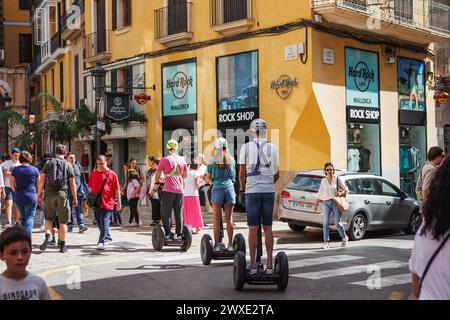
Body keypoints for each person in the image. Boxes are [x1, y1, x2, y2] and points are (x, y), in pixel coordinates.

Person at [239, 119, 279, 274]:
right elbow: (277, 173)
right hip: (268, 190)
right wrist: (268, 182)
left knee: (253, 228)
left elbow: (242, 173)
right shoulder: (273, 148)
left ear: (252, 131)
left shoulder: (246, 147)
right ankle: (269, 265)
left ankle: (254, 265)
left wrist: (243, 188)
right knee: (268, 228)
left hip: (252, 191)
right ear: (265, 131)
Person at [409, 155, 450, 300]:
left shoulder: (425, 228)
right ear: (437, 156)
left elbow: (416, 279)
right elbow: (425, 189)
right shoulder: (431, 169)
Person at [37, 144, 77, 254]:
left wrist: (38, 195)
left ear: (55, 152)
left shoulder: (48, 163)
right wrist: (75, 197)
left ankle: (48, 236)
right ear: (65, 153)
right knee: (63, 221)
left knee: (49, 219)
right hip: (62, 195)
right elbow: (72, 183)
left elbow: (41, 180)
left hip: (49, 195)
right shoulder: (68, 164)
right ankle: (63, 245)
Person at [0, 225, 51, 300]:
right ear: (1, 256)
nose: (20, 257)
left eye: (24, 251)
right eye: (13, 253)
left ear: (30, 252)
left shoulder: (38, 282)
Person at [207, 137, 236, 252]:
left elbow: (208, 178)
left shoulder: (212, 162)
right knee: (229, 218)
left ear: (216, 148)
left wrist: (210, 182)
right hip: (229, 189)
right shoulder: (232, 161)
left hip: (217, 189)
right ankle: (230, 244)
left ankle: (218, 245)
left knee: (216, 218)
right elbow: (233, 177)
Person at [154, 139, 187, 240]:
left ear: (168, 148)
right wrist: (177, 177)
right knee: (178, 213)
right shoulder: (182, 159)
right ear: (176, 148)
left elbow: (157, 175)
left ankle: (168, 234)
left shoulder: (164, 159)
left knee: (166, 212)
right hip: (180, 190)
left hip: (168, 189)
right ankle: (179, 234)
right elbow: (185, 175)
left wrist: (161, 179)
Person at [88, 155, 121, 250]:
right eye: (99, 164)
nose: (101, 166)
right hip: (96, 203)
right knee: (99, 223)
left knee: (105, 222)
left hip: (108, 203)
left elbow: (117, 189)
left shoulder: (112, 174)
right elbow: (90, 187)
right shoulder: (94, 173)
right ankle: (108, 237)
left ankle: (101, 241)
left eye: (102, 164)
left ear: (106, 162)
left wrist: (119, 202)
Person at [314, 162, 349, 249]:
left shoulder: (337, 179)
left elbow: (346, 190)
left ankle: (344, 237)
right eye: (327, 170)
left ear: (333, 170)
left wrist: (340, 193)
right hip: (326, 203)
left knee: (337, 223)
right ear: (325, 171)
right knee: (325, 222)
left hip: (335, 203)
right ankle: (326, 242)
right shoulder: (323, 181)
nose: (329, 171)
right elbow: (320, 193)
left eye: (331, 169)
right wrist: (316, 203)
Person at [9, 151, 40, 239]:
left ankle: (23, 237)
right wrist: (38, 194)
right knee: (29, 217)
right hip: (31, 196)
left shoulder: (15, 169)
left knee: (23, 218)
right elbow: (38, 184)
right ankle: (27, 238)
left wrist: (16, 191)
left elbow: (11, 183)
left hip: (19, 196)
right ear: (29, 158)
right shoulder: (34, 170)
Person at [66, 153, 88, 233]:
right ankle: (70, 225)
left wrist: (84, 191)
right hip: (68, 192)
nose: (73, 159)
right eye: (71, 157)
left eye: (74, 157)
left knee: (79, 209)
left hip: (78, 192)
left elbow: (83, 180)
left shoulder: (78, 167)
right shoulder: (65, 167)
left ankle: (81, 225)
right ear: (66, 159)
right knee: (69, 210)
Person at [2, 148, 21, 228]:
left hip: (17, 186)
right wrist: (17, 173)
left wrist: (12, 173)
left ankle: (17, 222)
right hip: (8, 186)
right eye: (15, 155)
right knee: (9, 204)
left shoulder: (20, 163)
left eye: (18, 155)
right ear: (11, 154)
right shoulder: (7, 163)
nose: (17, 157)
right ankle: (9, 221)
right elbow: (6, 173)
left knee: (17, 205)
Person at [183, 161, 205, 234]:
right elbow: (196, 186)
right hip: (194, 195)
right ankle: (197, 228)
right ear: (196, 166)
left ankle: (188, 228)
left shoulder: (186, 173)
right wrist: (202, 183)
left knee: (187, 212)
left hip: (185, 195)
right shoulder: (196, 173)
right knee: (196, 211)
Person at [147, 157, 162, 226]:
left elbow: (158, 183)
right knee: (155, 206)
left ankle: (158, 220)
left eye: (154, 164)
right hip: (154, 194)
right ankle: (156, 220)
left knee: (157, 206)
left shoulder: (160, 172)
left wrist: (152, 192)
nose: (153, 165)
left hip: (157, 193)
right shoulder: (155, 171)